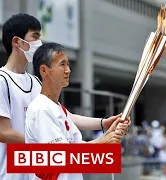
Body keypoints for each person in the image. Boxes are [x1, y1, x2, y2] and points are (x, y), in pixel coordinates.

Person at [0, 14, 129, 179]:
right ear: (16, 41)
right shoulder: (2, 80)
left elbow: (61, 117)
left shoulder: (34, 81)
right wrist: (45, 141)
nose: (39, 42)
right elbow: (3, 132)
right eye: (35, 36)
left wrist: (103, 123)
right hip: (11, 173)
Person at [25, 42, 129, 180]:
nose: (68, 70)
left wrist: (108, 132)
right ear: (44, 70)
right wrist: (103, 141)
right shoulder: (40, 109)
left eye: (68, 64)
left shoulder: (58, 108)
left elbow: (78, 148)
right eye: (62, 64)